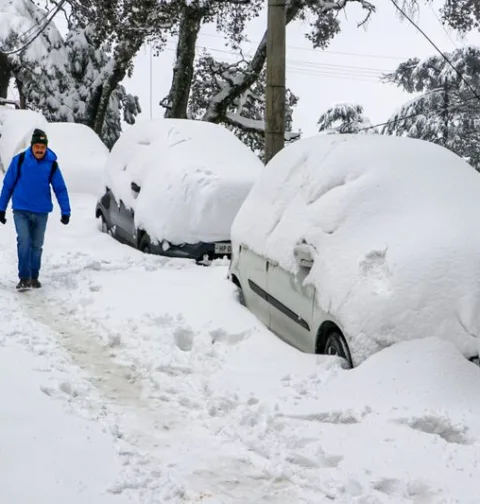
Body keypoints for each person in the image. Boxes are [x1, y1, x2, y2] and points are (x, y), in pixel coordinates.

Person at [0, 128, 71, 290]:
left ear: (46, 147)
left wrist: (66, 211)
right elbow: (8, 185)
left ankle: (34, 276)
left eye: (42, 147)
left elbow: (60, 189)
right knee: (24, 241)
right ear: (32, 146)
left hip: (41, 212)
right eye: (37, 146)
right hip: (21, 209)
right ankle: (24, 277)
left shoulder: (51, 164)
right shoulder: (19, 160)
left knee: (37, 245)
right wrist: (1, 208)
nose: (39, 150)